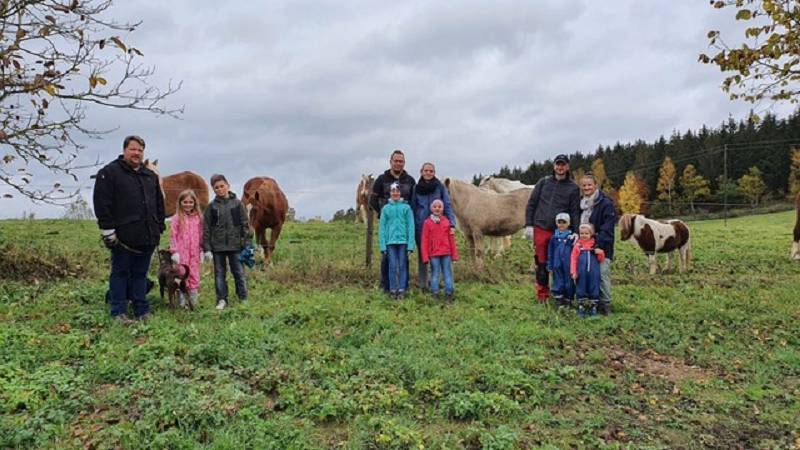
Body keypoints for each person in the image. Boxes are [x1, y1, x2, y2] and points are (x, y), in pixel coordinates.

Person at [93, 135, 165, 324]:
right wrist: (107, 230)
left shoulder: (150, 176)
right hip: (122, 237)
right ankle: (119, 312)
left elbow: (159, 203)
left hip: (146, 236)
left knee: (140, 274)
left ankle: (142, 310)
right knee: (120, 273)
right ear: (125, 150)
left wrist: (159, 226)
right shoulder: (109, 173)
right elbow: (102, 203)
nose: (137, 153)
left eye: (140, 150)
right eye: (133, 149)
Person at [524, 154, 581, 303]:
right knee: (541, 264)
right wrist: (529, 224)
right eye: (558, 164)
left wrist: (575, 232)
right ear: (554, 166)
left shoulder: (573, 188)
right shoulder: (543, 183)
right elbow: (532, 203)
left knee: (560, 264)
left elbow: (575, 211)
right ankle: (542, 295)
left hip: (561, 232)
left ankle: (562, 295)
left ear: (567, 166)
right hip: (541, 228)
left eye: (563, 164)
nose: (560, 167)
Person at [203, 174, 252, 310]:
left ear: (228, 186)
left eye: (222, 186)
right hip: (217, 247)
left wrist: (247, 243)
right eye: (216, 187)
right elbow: (206, 227)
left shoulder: (237, 204)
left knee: (239, 273)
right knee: (219, 274)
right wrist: (207, 248)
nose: (220, 189)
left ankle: (243, 297)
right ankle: (222, 299)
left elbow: (245, 225)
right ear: (213, 189)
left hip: (235, 245)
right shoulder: (211, 207)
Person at [369, 150, 416, 292]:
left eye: (401, 161)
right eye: (396, 161)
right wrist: (383, 213)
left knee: (403, 260)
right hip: (388, 222)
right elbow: (372, 199)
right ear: (390, 162)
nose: (398, 163)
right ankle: (386, 285)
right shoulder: (381, 179)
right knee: (386, 258)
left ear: (404, 163)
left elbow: (413, 200)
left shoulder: (410, 180)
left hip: (404, 223)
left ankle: (403, 286)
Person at [412, 162, 456, 289]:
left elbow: (447, 205)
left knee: (443, 254)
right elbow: (414, 207)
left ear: (434, 173)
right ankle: (423, 284)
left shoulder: (440, 187)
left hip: (440, 228)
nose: (428, 173)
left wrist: (451, 224)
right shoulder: (416, 188)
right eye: (426, 170)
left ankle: (444, 283)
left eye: (431, 171)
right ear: (421, 172)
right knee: (423, 255)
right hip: (422, 227)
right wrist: (414, 225)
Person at [579, 172, 616, 315]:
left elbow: (607, 228)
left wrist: (597, 245)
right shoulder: (580, 203)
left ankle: (605, 304)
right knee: (585, 274)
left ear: (596, 185)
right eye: (584, 185)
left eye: (589, 185)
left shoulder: (605, 203)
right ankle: (589, 302)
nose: (586, 187)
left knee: (601, 274)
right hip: (582, 246)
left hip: (601, 245)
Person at [379, 183, 415, 300]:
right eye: (393, 191)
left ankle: (402, 290)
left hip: (403, 242)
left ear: (401, 193)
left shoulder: (406, 208)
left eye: (397, 191)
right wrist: (383, 246)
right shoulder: (386, 209)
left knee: (403, 266)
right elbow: (382, 228)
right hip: (390, 243)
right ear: (390, 193)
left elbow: (411, 226)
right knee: (392, 266)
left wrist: (410, 245)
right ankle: (393, 289)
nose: (395, 193)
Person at [169, 189, 204, 309]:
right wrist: (174, 251)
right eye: (185, 202)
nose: (188, 204)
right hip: (181, 253)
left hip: (194, 252)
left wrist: (202, 249)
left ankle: (193, 301)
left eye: (190, 202)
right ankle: (182, 301)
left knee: (194, 274)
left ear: (194, 203)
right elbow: (173, 235)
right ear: (180, 203)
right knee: (182, 274)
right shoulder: (176, 218)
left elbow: (201, 234)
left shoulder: (198, 218)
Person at [420, 199, 459, 303]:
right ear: (431, 208)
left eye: (439, 206)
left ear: (442, 209)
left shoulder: (447, 222)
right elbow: (425, 240)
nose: (437, 208)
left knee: (447, 273)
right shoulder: (427, 223)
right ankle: (435, 292)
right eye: (435, 206)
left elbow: (452, 240)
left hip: (446, 253)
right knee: (435, 273)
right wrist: (425, 256)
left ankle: (449, 293)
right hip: (434, 254)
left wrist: (454, 255)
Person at [571, 223, 605, 318]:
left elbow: (600, 259)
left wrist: (600, 253)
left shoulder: (595, 245)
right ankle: (581, 307)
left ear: (591, 234)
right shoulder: (578, 246)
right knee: (581, 288)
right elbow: (573, 259)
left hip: (594, 272)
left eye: (586, 233)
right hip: (581, 272)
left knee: (594, 287)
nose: (584, 235)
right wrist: (573, 272)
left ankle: (593, 307)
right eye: (582, 233)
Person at [547, 212, 574, 309]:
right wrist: (550, 264)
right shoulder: (554, 238)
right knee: (558, 281)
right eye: (559, 222)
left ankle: (568, 299)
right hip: (556, 264)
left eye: (564, 222)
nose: (561, 225)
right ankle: (559, 299)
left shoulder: (571, 237)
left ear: (568, 224)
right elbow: (550, 252)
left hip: (568, 265)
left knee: (569, 282)